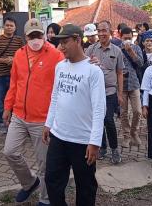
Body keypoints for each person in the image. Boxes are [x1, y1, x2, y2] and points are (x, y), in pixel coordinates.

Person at [2, 18, 64, 206]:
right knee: (10, 152)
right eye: (32, 36)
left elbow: (63, 84)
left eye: (39, 35)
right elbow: (14, 84)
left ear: (44, 35)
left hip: (42, 120)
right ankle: (29, 183)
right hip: (19, 115)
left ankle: (45, 200)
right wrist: (7, 107)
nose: (36, 39)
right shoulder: (19, 55)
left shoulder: (55, 56)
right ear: (26, 37)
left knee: (44, 164)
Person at [43, 24, 106, 206]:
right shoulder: (60, 67)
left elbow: (99, 108)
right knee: (52, 181)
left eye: (65, 42)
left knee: (85, 187)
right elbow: (55, 96)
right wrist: (49, 123)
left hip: (82, 141)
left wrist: (94, 142)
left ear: (78, 40)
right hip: (59, 136)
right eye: (59, 43)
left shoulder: (93, 71)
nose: (61, 47)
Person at [85, 20, 124, 164]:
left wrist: (120, 93)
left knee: (108, 119)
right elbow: (84, 69)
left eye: (104, 30)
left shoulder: (117, 51)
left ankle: (114, 149)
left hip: (109, 91)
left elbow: (120, 73)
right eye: (99, 30)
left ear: (110, 31)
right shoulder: (91, 50)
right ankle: (102, 147)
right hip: (93, 92)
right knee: (97, 120)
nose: (101, 33)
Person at [0, 16, 24, 133]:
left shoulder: (19, 40)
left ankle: (13, 124)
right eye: (7, 25)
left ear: (15, 28)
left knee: (14, 100)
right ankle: (3, 124)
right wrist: (4, 61)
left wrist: (14, 59)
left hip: (14, 75)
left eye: (11, 26)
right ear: (3, 26)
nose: (9, 27)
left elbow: (24, 54)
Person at [119, 27, 144, 148]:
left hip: (134, 83)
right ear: (120, 37)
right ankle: (126, 136)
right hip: (121, 85)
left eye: (129, 38)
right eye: (125, 38)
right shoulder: (117, 49)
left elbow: (140, 64)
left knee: (137, 111)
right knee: (123, 112)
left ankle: (134, 132)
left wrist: (131, 52)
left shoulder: (137, 48)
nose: (127, 40)